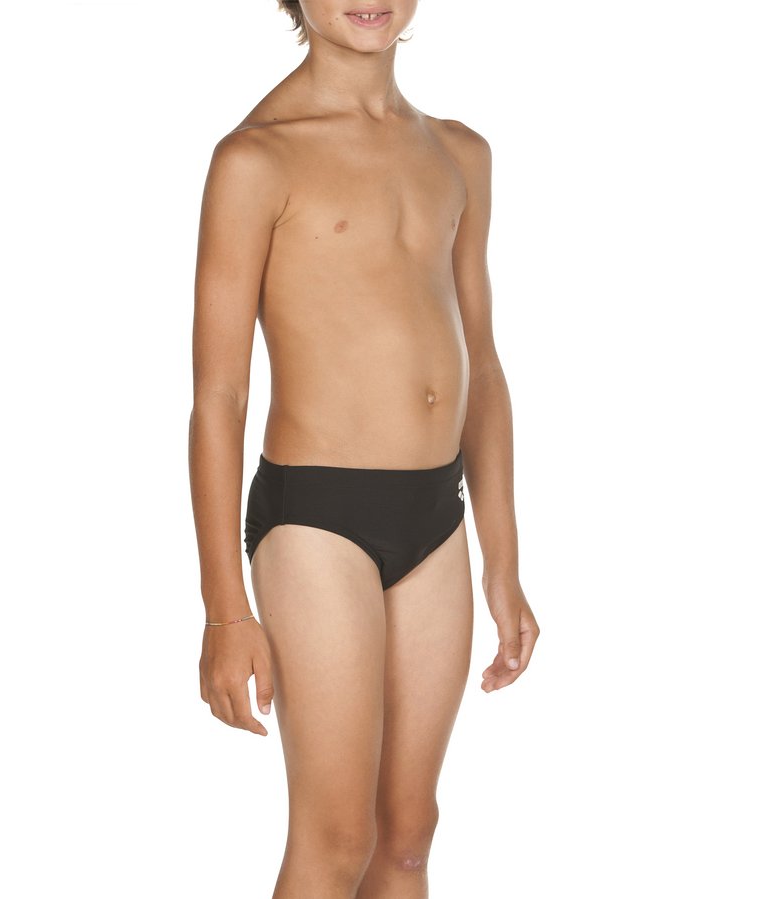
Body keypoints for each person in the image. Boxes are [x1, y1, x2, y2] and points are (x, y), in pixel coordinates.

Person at [188, 2, 540, 895]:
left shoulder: (459, 153)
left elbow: (482, 367)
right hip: (317, 517)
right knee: (337, 836)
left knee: (408, 834)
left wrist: (502, 561)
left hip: (435, 518)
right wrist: (225, 611)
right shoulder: (256, 159)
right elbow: (219, 398)